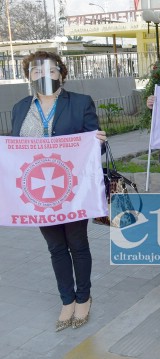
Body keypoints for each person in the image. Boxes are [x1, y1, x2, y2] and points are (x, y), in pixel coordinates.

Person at [11, 51, 107, 331]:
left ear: (62, 75)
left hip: (73, 189)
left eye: (51, 71)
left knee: (77, 244)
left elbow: (94, 145)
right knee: (55, 247)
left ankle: (84, 297)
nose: (44, 76)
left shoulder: (79, 103)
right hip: (38, 193)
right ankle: (67, 300)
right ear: (29, 76)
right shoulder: (20, 108)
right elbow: (16, 150)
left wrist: (97, 141)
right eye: (37, 71)